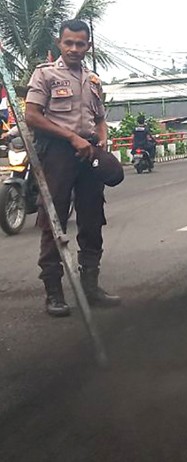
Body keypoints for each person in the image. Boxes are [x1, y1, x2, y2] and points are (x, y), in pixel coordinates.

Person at [25, 19, 121, 317]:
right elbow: (32, 116)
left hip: (88, 152)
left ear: (88, 46)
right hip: (58, 152)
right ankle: (53, 291)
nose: (74, 49)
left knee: (92, 218)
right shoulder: (45, 74)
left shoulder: (93, 80)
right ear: (59, 43)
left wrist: (102, 139)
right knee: (54, 220)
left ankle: (90, 286)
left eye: (80, 44)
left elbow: (100, 118)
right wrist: (70, 137)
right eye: (69, 43)